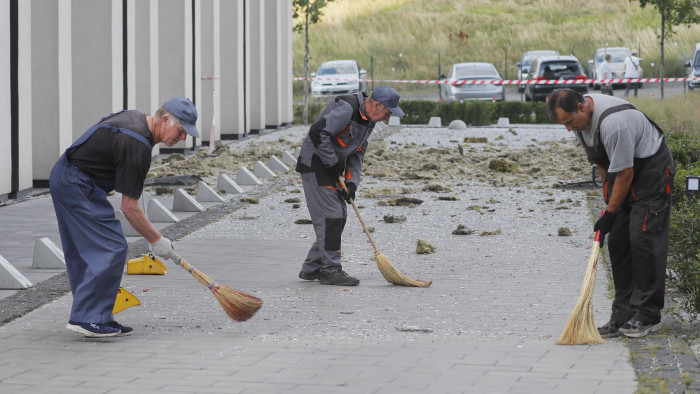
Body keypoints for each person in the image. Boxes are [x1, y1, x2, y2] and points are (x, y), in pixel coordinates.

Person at [50, 97, 199, 337]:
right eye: (182, 131)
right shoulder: (136, 143)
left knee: (87, 249)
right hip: (76, 183)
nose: (183, 138)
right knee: (111, 246)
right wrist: (156, 239)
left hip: (71, 177)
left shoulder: (138, 121)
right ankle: (88, 318)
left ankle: (96, 316)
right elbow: (130, 207)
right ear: (164, 120)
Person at [547, 88, 675, 338]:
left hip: (651, 173)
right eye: (564, 124)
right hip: (625, 173)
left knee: (643, 241)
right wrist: (610, 209)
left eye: (570, 122)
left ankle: (648, 316)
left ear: (582, 108)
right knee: (618, 241)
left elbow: (625, 173)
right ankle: (623, 314)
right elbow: (603, 164)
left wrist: (611, 212)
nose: (569, 129)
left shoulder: (614, 124)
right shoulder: (582, 126)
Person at [295, 86, 404, 286]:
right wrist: (332, 162)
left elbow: (357, 152)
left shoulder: (369, 121)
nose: (387, 119)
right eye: (387, 114)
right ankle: (330, 270)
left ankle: (312, 267)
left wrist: (352, 182)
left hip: (330, 167)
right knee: (332, 216)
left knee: (341, 216)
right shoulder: (347, 108)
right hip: (316, 165)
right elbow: (318, 133)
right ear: (377, 105)